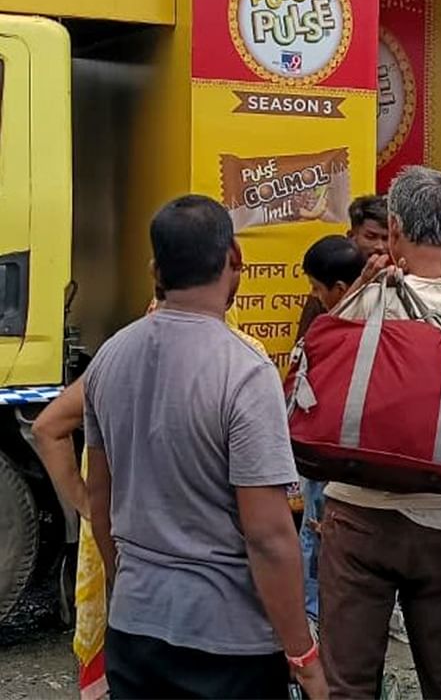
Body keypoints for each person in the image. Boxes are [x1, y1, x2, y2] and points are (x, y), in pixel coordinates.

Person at [82, 195, 325, 699]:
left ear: (155, 270)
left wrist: (125, 587)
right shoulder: (246, 372)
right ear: (235, 258)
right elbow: (268, 535)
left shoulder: (109, 358)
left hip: (134, 628)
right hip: (227, 642)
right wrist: (303, 656)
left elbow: (99, 503)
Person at [318, 166, 441, 699]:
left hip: (358, 515)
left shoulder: (363, 305)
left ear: (395, 228)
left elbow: (317, 375)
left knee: (347, 683)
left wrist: (362, 286)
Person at [33, 293, 275, 700]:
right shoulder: (244, 360)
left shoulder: (118, 357)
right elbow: (267, 529)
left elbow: (46, 429)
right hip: (221, 607)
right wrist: (300, 648)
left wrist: (89, 508)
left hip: (136, 598)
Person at [294, 236, 365, 632]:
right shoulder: (384, 316)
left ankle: (315, 614)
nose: (314, 296)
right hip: (351, 457)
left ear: (339, 289)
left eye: (317, 288)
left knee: (317, 534)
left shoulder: (335, 330)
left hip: (330, 454)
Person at [296, 194, 388, 340]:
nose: (380, 247)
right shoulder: (324, 291)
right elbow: (307, 346)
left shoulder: (396, 285)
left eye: (386, 238)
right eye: (371, 237)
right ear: (351, 236)